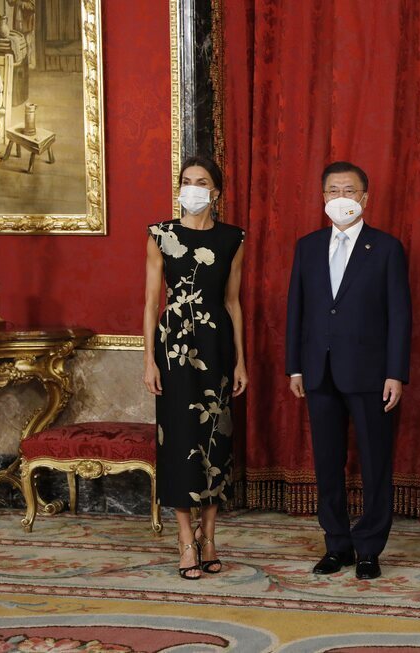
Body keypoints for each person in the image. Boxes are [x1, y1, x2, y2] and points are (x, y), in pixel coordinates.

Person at [286, 161, 411, 581]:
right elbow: (296, 312)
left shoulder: (387, 247)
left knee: (376, 463)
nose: (342, 198)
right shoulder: (307, 246)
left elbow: (400, 315)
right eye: (333, 191)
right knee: (327, 462)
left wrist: (396, 372)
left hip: (371, 374)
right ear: (323, 198)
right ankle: (336, 543)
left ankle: (370, 548)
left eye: (350, 191)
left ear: (365, 198)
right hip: (318, 371)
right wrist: (294, 367)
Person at [143, 155, 247, 580]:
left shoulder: (232, 239)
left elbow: (232, 302)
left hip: (217, 346)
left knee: (215, 441)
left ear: (216, 192)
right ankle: (185, 539)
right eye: (187, 181)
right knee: (179, 439)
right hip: (173, 349)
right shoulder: (160, 235)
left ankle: (210, 537)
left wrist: (242, 360)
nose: (193, 188)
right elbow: (151, 302)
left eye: (202, 182)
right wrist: (149, 359)